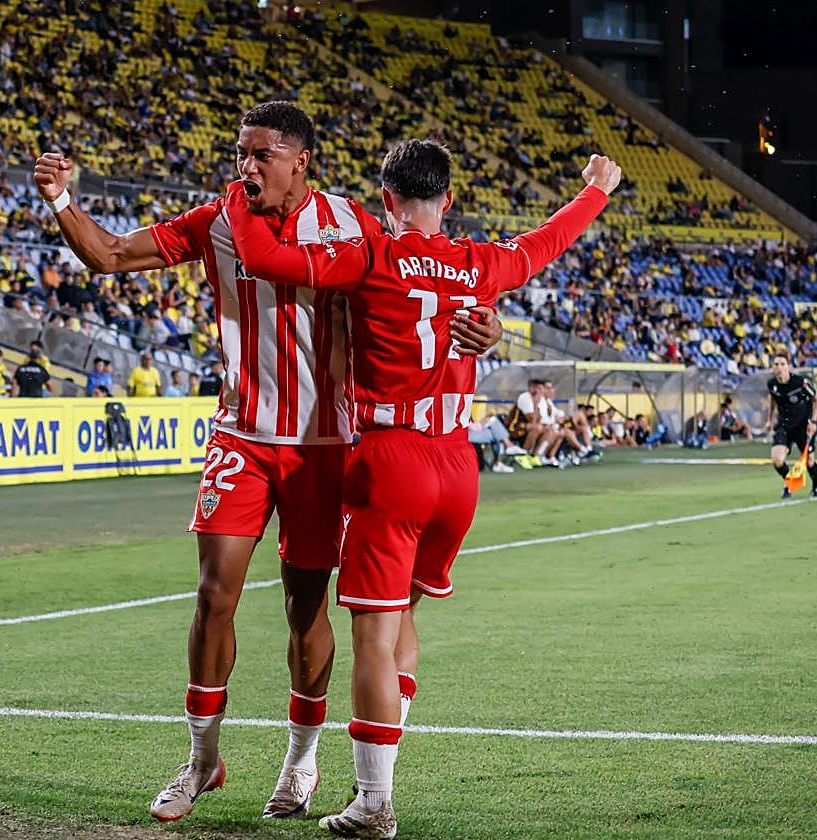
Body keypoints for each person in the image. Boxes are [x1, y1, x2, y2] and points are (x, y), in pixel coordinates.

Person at [35, 101, 503, 824]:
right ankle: (201, 761)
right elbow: (110, 255)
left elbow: (429, 286)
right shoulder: (218, 220)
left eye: (261, 154)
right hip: (242, 436)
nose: (246, 166)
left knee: (304, 607)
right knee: (215, 591)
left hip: (324, 447)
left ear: (299, 161)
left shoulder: (355, 226)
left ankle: (300, 762)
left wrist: (485, 324)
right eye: (241, 153)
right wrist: (62, 199)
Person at [226, 142, 618, 837]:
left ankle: (375, 800)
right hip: (458, 466)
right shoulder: (479, 264)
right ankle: (376, 768)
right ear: (450, 199)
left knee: (372, 638)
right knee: (402, 621)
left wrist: (238, 199)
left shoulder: (372, 254)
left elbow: (264, 261)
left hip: (391, 459)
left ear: (386, 199)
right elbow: (547, 241)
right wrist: (596, 191)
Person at [764, 354, 817, 498]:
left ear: (789, 366)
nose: (779, 367)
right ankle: (790, 482)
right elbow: (773, 399)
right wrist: (769, 420)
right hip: (784, 425)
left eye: (782, 364)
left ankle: (816, 486)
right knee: (777, 460)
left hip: (803, 425)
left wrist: (813, 421)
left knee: (810, 461)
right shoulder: (772, 384)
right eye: (776, 364)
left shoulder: (800, 383)